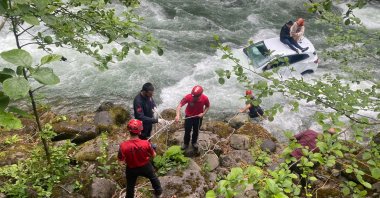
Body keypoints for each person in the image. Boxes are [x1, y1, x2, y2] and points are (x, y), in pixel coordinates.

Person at [118, 119, 163, 198]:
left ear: (129, 131)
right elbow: (154, 155)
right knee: (153, 177)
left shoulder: (123, 146)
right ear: (139, 131)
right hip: (145, 166)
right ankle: (158, 192)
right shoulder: (146, 143)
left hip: (131, 168)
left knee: (130, 186)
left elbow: (121, 162)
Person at [175, 85, 210, 150]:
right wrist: (177, 115)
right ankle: (186, 143)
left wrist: (203, 113)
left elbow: (207, 106)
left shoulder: (205, 98)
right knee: (187, 130)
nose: (193, 98)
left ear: (200, 95)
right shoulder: (188, 97)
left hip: (198, 118)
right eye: (193, 96)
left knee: (196, 131)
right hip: (189, 117)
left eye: (195, 97)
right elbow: (179, 106)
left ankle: (194, 142)